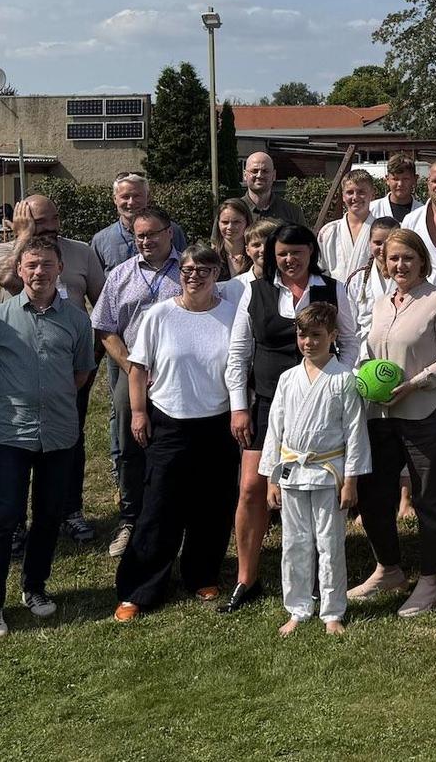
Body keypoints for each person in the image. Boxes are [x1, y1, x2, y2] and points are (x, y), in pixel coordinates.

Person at [223, 222, 358, 613]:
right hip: (267, 402)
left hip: (321, 405)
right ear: (271, 254)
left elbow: (350, 340)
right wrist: (239, 405)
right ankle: (246, 577)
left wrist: (339, 383)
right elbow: (238, 352)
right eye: (282, 253)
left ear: (310, 252)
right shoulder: (256, 290)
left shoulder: (333, 289)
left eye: (297, 253)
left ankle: (320, 578)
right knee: (252, 488)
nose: (289, 260)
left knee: (319, 488)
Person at [0, 236, 97, 640]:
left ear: (59, 268)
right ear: (19, 271)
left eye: (46, 264)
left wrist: (52, 401)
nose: (39, 272)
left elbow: (81, 373)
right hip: (12, 433)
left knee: (48, 516)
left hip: (60, 433)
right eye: (31, 265)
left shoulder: (78, 321)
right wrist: (14, 405)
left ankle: (34, 587)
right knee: (4, 518)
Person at [112, 244, 239, 621]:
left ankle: (201, 574)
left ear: (217, 274)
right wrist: (138, 413)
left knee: (212, 506)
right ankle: (140, 587)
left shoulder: (233, 316)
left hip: (218, 421)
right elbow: (137, 368)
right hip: (169, 420)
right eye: (187, 269)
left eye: (204, 270)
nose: (195, 276)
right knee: (159, 507)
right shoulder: (159, 315)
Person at [349, 229, 436, 615]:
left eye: (407, 259)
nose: (399, 265)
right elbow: (371, 350)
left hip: (426, 413)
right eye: (393, 258)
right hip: (381, 414)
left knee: (428, 500)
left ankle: (431, 583)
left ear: (422, 261)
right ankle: (389, 568)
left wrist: (417, 382)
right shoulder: (382, 303)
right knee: (372, 496)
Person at [0, 194, 106, 547]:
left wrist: (91, 355)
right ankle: (15, 524)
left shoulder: (81, 252)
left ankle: (70, 511)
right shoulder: (3, 253)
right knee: (18, 446)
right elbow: (9, 279)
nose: (50, 228)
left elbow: (102, 306)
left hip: (70, 368)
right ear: (21, 223)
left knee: (70, 439)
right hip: (18, 370)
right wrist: (24, 238)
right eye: (39, 222)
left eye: (53, 219)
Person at [261, 302, 369, 635]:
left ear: (333, 336)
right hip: (292, 470)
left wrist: (350, 480)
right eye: (303, 335)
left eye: (316, 336)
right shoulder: (288, 379)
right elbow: (274, 429)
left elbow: (355, 432)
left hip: (328, 472)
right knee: (294, 543)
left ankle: (332, 610)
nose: (308, 342)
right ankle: (297, 608)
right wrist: (271, 479)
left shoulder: (344, 380)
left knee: (330, 542)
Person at [90, 205, 183, 559]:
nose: (145, 241)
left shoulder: (187, 271)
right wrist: (131, 368)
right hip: (133, 375)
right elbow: (105, 327)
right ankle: (131, 519)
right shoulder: (120, 276)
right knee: (131, 446)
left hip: (179, 375)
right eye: (139, 235)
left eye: (152, 234)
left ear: (168, 233)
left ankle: (175, 517)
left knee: (176, 446)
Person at [92, 173, 188, 270]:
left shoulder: (170, 231)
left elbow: (186, 268)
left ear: (148, 197)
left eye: (137, 196)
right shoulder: (101, 240)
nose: (131, 202)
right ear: (115, 199)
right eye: (125, 196)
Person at [317, 169, 379, 283]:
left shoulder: (382, 231)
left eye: (361, 192)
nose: (355, 197)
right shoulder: (328, 232)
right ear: (343, 196)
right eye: (350, 192)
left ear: (372, 194)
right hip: (337, 297)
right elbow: (321, 272)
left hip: (373, 298)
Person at [344, 218, 397, 338]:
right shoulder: (357, 280)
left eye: (389, 242)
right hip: (366, 349)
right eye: (378, 243)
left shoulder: (410, 278)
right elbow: (348, 327)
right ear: (369, 243)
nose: (383, 248)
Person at [242, 151, 307, 226]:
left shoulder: (293, 212)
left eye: (265, 171)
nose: (259, 175)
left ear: (274, 175)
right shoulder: (233, 211)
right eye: (254, 171)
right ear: (245, 175)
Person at [368, 152, 423, 224]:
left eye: (405, 179)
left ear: (415, 179)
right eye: (395, 179)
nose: (400, 184)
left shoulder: (422, 212)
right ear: (387, 180)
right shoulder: (372, 210)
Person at [215, 198, 256, 279]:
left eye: (236, 222)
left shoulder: (256, 256)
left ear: (247, 223)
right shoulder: (211, 258)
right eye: (225, 222)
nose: (230, 227)